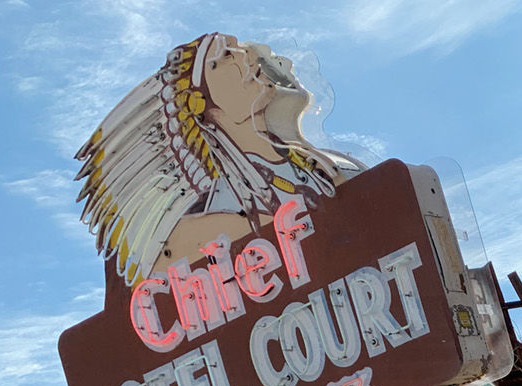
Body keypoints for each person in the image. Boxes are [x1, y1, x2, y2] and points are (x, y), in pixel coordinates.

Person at [75, 33, 363, 285]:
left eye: (237, 48)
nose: (247, 55)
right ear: (201, 106)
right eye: (224, 56)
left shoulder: (321, 167)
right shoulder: (217, 221)